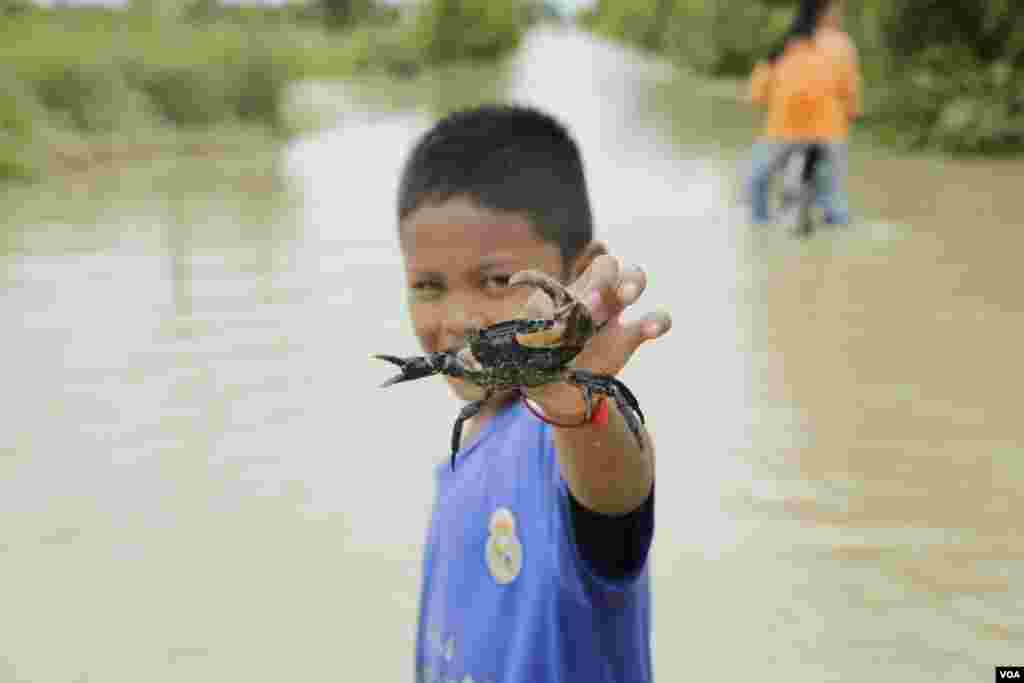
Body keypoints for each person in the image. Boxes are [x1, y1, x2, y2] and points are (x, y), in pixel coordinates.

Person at [392, 104, 672, 683]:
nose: (460, 317)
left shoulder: (559, 436)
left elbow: (613, 487)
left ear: (579, 272)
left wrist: (575, 404)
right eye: (427, 286)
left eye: (497, 282)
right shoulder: (465, 447)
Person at [745, 0, 862, 226]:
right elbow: (850, 92)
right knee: (833, 198)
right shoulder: (842, 44)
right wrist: (851, 116)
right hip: (828, 132)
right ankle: (839, 234)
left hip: (783, 129)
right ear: (823, 11)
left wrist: (765, 103)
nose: (841, 15)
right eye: (838, 10)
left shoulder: (784, 43)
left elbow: (756, 92)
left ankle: (759, 225)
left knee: (756, 183)